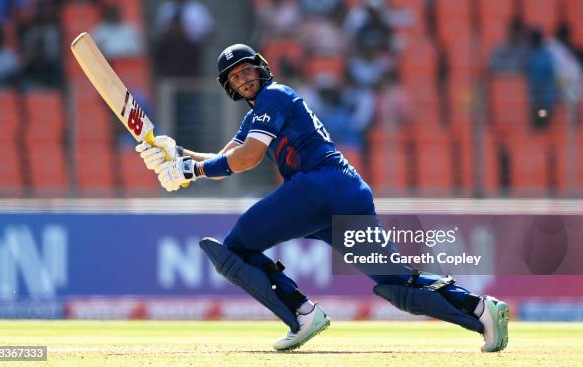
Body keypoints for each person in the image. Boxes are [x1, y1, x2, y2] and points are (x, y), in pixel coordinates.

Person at [135, 44, 509, 352]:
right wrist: (178, 153)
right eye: (236, 76)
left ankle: (301, 312)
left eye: (248, 69)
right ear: (230, 86)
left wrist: (191, 172)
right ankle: (480, 310)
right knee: (395, 283)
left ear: (261, 69)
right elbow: (226, 156)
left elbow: (245, 160)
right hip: (346, 192)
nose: (244, 78)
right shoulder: (257, 116)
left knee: (235, 249)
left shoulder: (275, 96)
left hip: (319, 187)